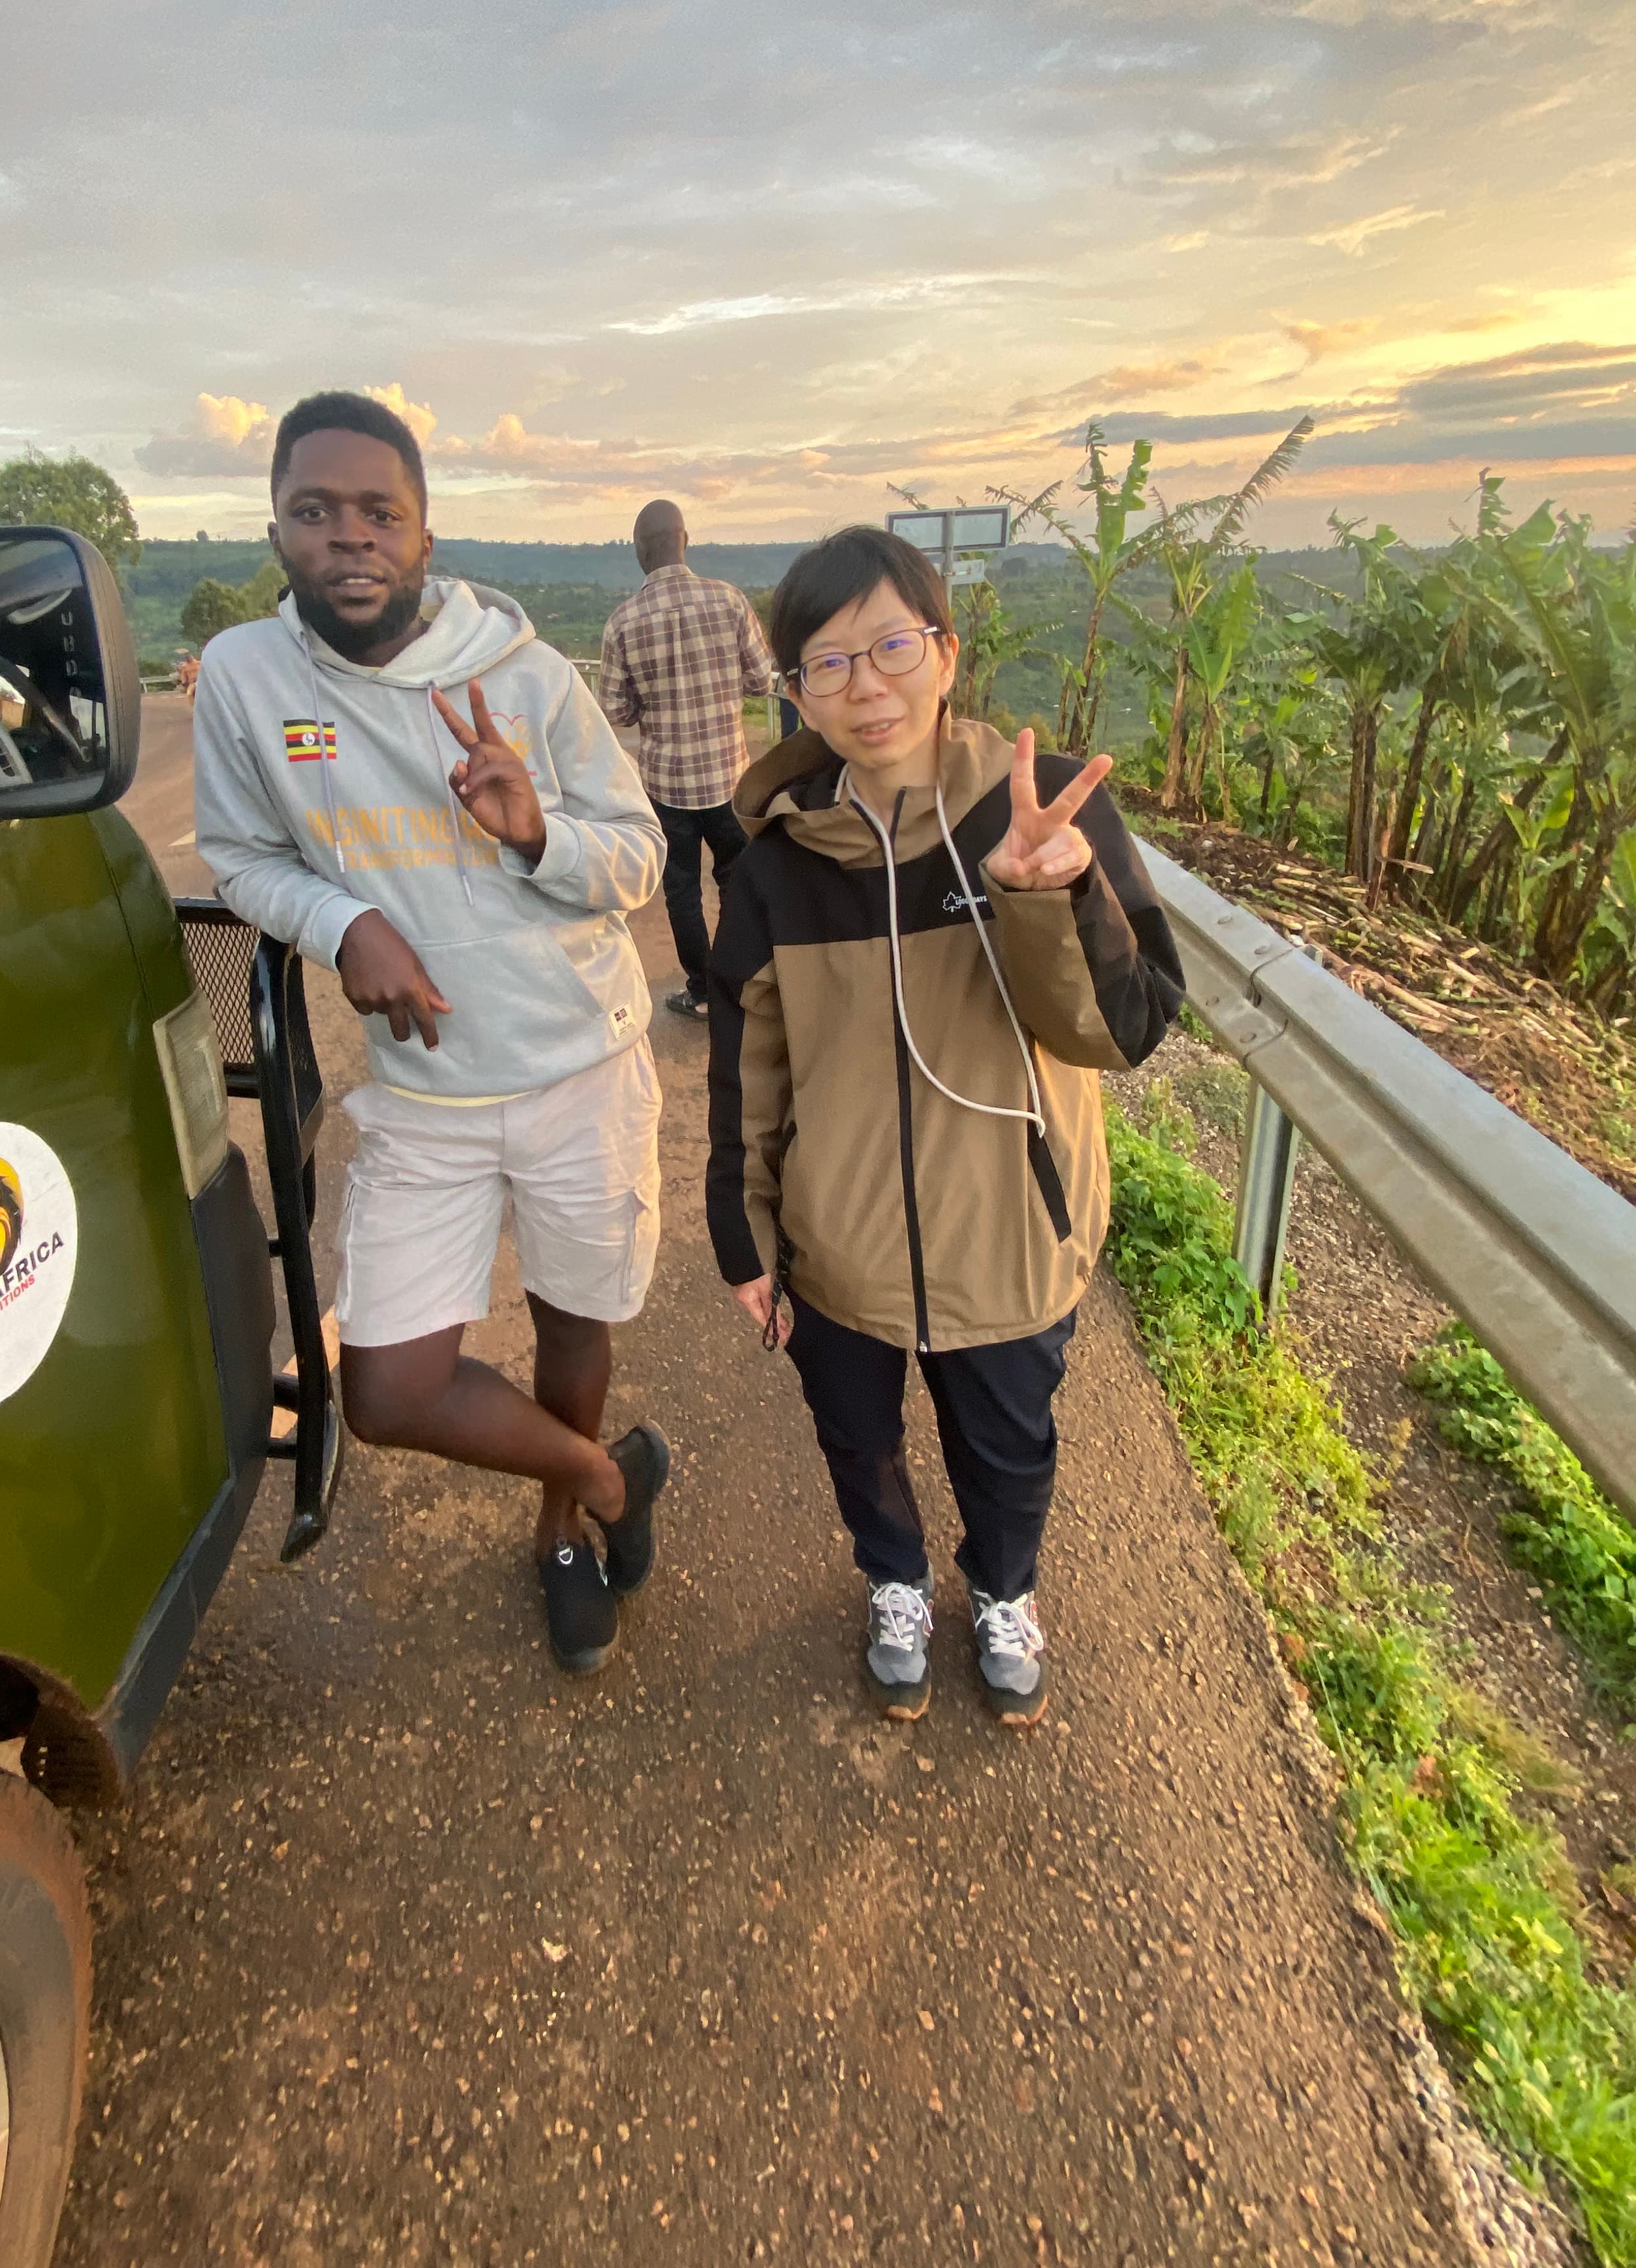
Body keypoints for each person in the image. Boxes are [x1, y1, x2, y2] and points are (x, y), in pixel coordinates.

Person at [193, 390, 673, 1675]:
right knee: (391, 1390)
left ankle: (562, 1530)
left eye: (377, 513)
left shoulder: (525, 677)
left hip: (579, 1061)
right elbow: (239, 854)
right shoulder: (245, 679)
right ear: (277, 528)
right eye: (314, 512)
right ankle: (610, 1478)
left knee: (574, 1321)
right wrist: (342, 922)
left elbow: (638, 858)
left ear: (423, 531)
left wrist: (533, 833)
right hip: (424, 1090)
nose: (347, 538)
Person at [705, 526, 1182, 1726]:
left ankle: (1004, 1589)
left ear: (945, 653)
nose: (864, 685)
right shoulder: (773, 867)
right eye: (825, 662)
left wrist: (1046, 891)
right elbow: (745, 1067)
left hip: (1010, 1231)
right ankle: (895, 1581)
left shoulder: (1040, 811)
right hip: (840, 1245)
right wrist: (743, 1236)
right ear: (794, 691)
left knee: (1007, 1449)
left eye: (890, 646)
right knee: (854, 1437)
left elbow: (1118, 1034)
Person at [599, 498, 774, 1020]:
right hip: (730, 776)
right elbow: (763, 679)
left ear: (639, 552)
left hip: (667, 785)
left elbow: (616, 709)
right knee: (738, 881)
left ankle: (701, 991)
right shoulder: (729, 601)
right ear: (686, 540)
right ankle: (744, 984)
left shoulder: (622, 623)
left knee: (681, 892)